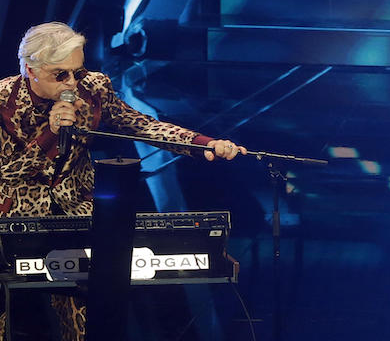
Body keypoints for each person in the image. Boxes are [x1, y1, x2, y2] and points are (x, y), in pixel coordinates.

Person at [0, 22, 247, 339]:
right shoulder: (4, 100)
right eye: (60, 75)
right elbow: (8, 174)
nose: (72, 83)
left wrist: (202, 144)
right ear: (30, 70)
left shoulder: (94, 89)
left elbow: (143, 126)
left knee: (85, 320)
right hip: (11, 218)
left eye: (78, 71)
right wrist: (50, 134)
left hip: (76, 215)